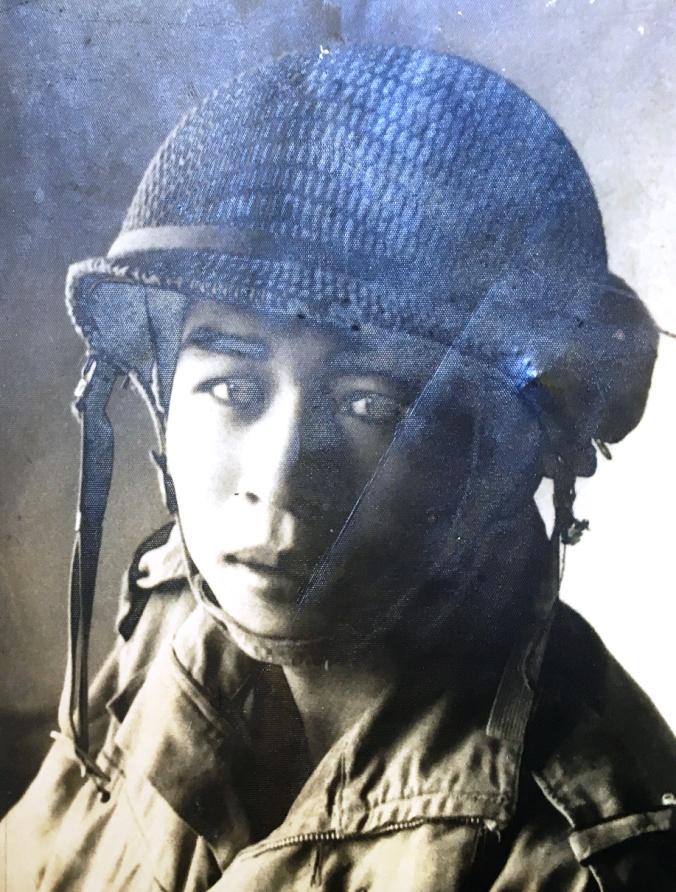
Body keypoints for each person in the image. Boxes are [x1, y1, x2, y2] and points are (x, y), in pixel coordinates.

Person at [2, 44, 675, 890]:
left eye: (372, 407)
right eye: (233, 387)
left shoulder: (582, 860)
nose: (278, 480)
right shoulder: (178, 612)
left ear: (506, 451)